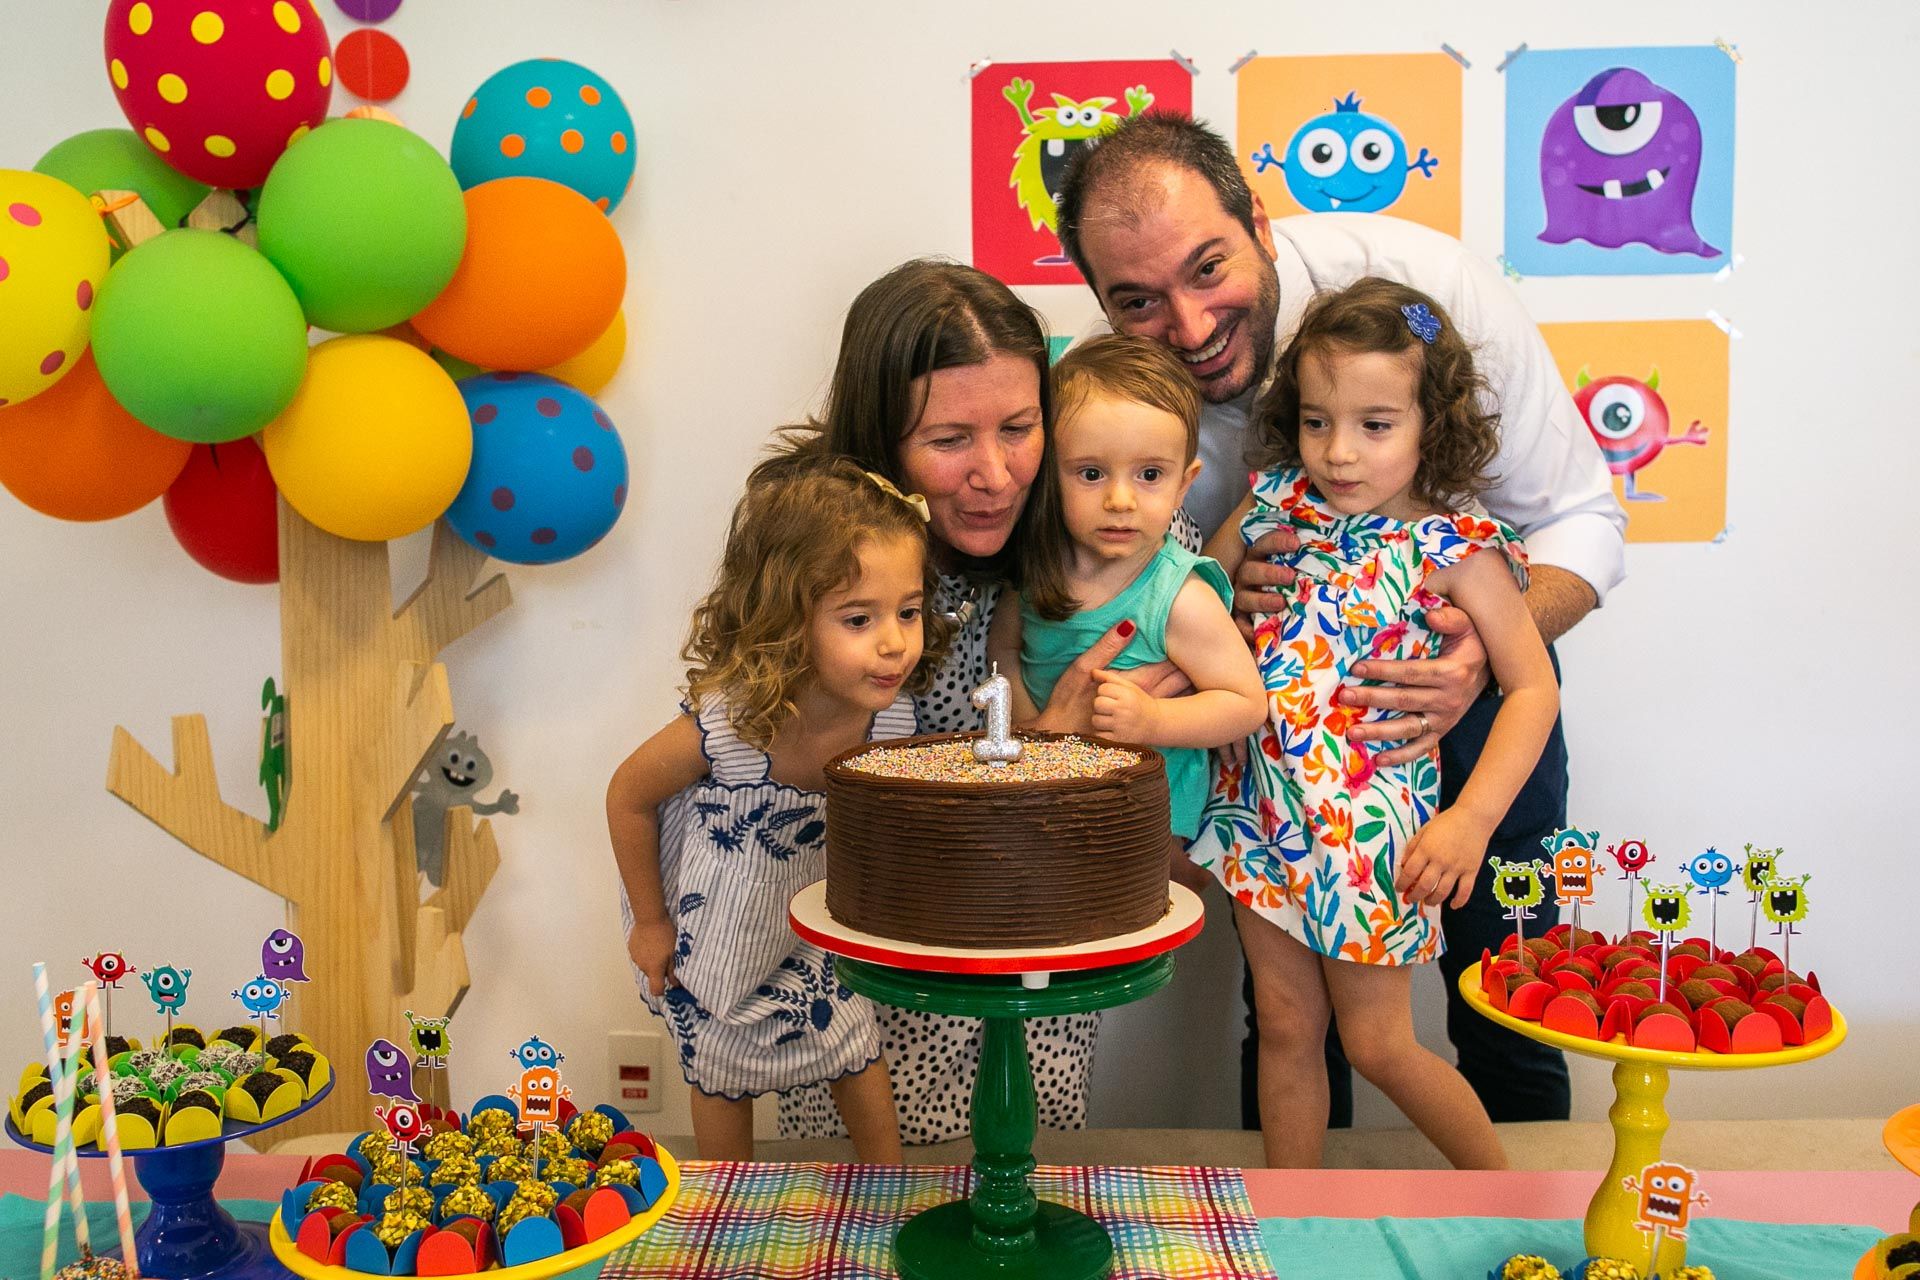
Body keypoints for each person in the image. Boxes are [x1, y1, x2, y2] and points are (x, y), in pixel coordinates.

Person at [1056, 113, 1627, 1124]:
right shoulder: (1128, 397)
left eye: (1207, 269)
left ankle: (1530, 1213)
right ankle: (1298, 1221)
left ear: (1261, 223)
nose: (1187, 328)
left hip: (1476, 693)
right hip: (1290, 758)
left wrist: (1481, 657)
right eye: (1137, 301)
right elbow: (1168, 579)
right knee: (1285, 1017)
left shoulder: (1429, 303)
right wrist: (1196, 642)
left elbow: (1583, 517)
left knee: (1512, 986)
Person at [765, 260, 1185, 1144]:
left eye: (1021, 429)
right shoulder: (817, 543)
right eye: (950, 439)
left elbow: (1182, 577)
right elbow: (799, 766)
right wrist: (1042, 750)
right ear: (880, 437)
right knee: (869, 1217)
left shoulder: (1089, 531)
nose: (996, 474)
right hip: (875, 954)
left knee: (1020, 1176)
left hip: (1032, 945)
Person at [1193, 278, 1559, 1167]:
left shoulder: (1456, 546)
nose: (1339, 452)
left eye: (1375, 424)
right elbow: (1196, 591)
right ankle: (1293, 1217)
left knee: (1378, 1045)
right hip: (1258, 818)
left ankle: (1506, 1193)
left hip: (1371, 839)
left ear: (1433, 421)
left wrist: (1470, 823)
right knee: (1285, 1028)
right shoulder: (1276, 502)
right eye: (1317, 421)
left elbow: (1533, 690)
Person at [607, 456, 946, 1161]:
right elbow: (628, 795)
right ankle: (725, 1213)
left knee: (855, 1047)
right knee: (724, 1074)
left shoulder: (891, 724)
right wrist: (648, 921)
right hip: (721, 942)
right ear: (790, 622)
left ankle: (889, 1195)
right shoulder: (731, 726)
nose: (895, 642)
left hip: (818, 937)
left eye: (909, 612)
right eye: (860, 618)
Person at [990, 334, 1264, 872]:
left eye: (1150, 475)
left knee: (1126, 946)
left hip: (1144, 817)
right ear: (1052, 474)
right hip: (1049, 800)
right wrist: (1033, 738)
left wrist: (1153, 719)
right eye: (1091, 474)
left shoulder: (1181, 596)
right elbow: (1003, 652)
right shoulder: (1037, 568)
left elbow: (1245, 703)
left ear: (1184, 486)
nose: (1120, 500)